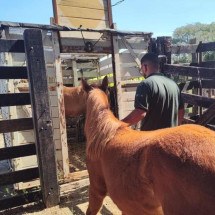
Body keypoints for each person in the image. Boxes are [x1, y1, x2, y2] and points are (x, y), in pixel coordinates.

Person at [122, 52, 184, 131]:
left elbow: (140, 112)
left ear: (144, 67)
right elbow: (181, 111)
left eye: (141, 69)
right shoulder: (174, 84)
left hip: (152, 139)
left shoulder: (145, 84)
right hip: (170, 137)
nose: (142, 71)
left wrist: (120, 124)